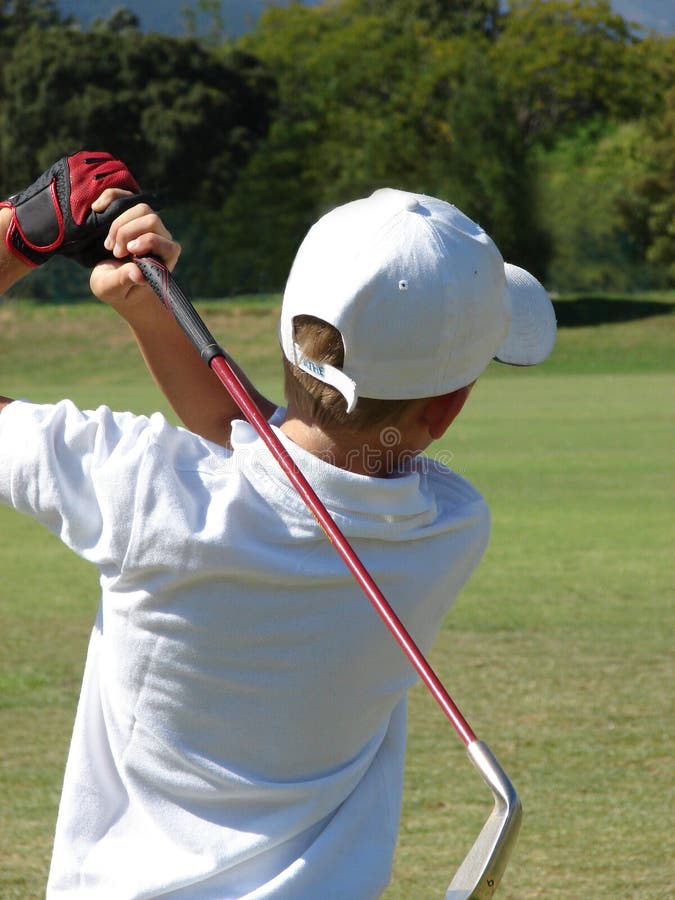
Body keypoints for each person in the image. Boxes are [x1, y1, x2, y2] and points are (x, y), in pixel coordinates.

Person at [0, 153, 556, 899]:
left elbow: (269, 451)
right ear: (447, 410)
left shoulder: (140, 485)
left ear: (291, 331)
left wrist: (20, 238)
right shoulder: (451, 526)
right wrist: (150, 312)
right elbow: (278, 449)